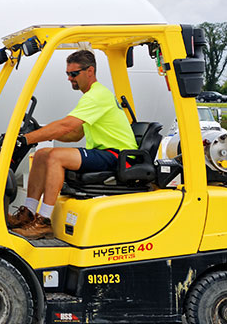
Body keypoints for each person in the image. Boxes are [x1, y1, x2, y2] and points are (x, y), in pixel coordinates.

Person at [8, 50, 137, 239]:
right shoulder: (93, 96)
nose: (69, 78)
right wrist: (38, 134)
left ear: (90, 71)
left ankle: (43, 221)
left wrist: (27, 138)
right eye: (67, 74)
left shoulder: (97, 96)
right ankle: (27, 213)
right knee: (43, 154)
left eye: (74, 74)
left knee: (54, 157)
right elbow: (75, 134)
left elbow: (66, 125)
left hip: (118, 156)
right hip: (105, 153)